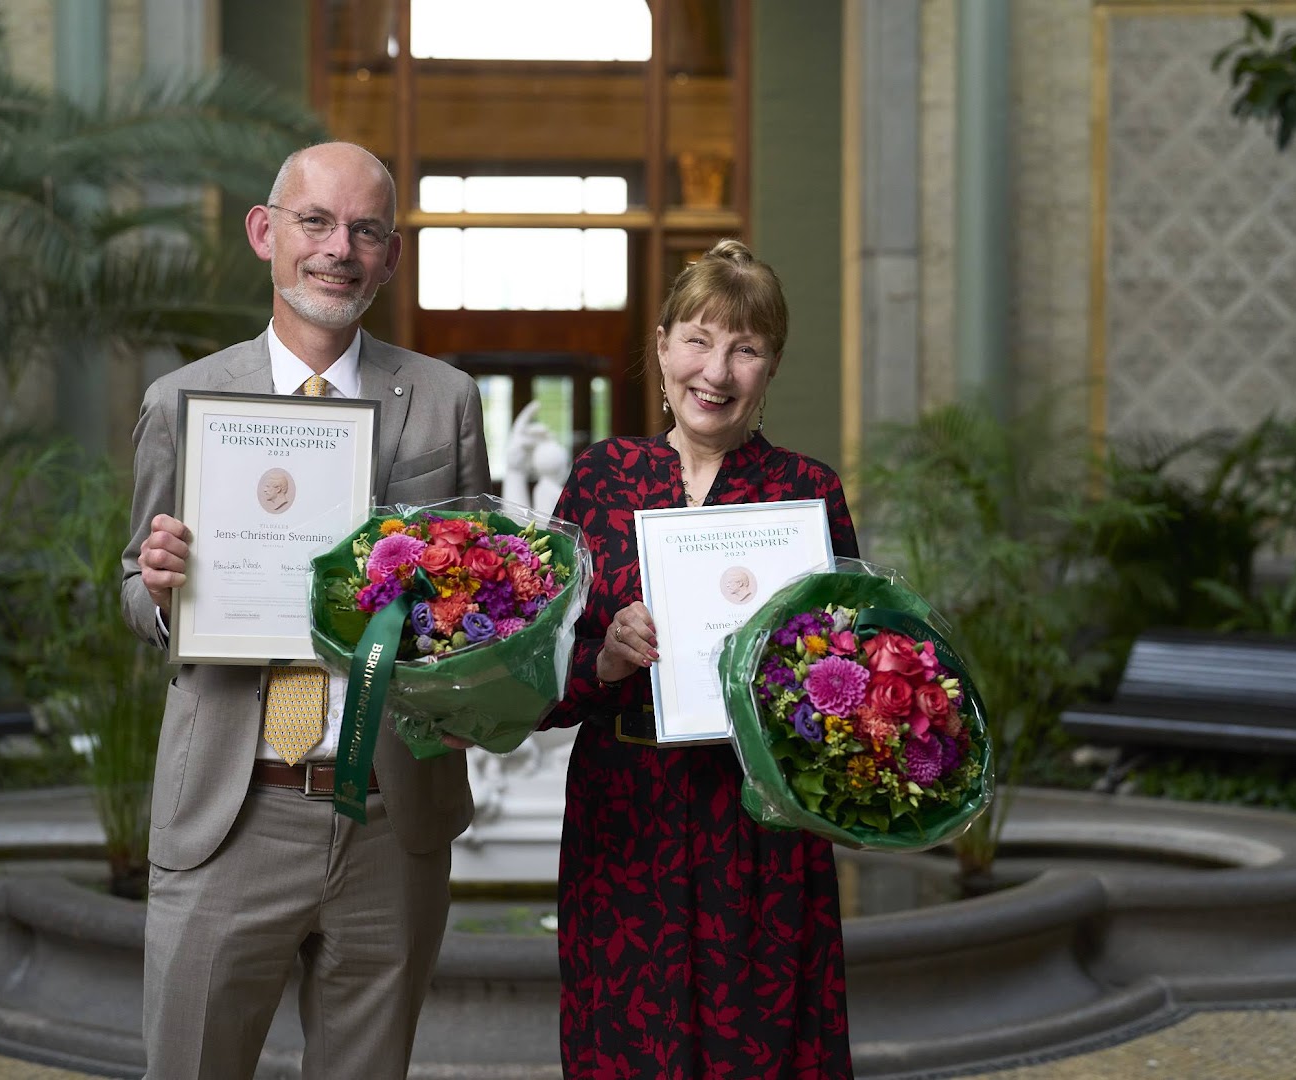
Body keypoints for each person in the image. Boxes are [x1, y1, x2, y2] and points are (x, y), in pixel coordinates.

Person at [120, 141, 489, 1080]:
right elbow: (133, 583)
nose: (338, 249)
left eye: (365, 231)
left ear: (391, 256)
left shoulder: (444, 401)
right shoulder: (184, 402)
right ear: (264, 232)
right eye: (315, 222)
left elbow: (480, 593)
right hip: (231, 810)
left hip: (390, 816)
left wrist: (475, 650)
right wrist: (158, 593)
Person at [546, 239, 857, 1079]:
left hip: (757, 829)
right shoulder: (601, 479)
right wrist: (605, 662)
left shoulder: (807, 494)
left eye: (744, 349)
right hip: (624, 822)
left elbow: (849, 683)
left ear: (772, 365)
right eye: (698, 340)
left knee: (756, 1050)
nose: (715, 372)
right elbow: (539, 682)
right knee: (625, 1052)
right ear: (661, 347)